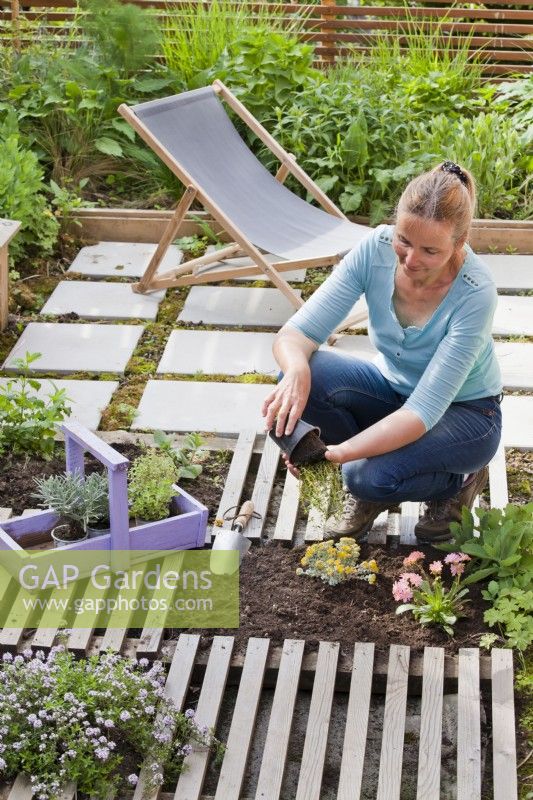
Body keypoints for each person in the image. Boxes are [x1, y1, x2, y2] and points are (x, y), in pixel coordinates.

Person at [262, 161, 503, 543]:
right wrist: (295, 372)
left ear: (459, 244)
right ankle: (381, 469)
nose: (410, 260)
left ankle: (458, 482)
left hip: (467, 415)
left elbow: (423, 411)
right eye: (404, 240)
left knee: (363, 476)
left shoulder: (475, 293)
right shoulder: (373, 250)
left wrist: (339, 455)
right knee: (307, 374)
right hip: (393, 392)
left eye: (429, 250)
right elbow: (297, 333)